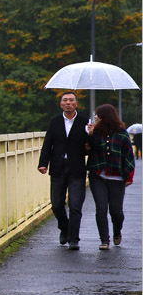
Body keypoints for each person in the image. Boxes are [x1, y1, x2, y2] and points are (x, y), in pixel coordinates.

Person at [38, 91, 90, 250]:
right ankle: (65, 228)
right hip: (58, 167)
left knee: (75, 205)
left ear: (76, 104)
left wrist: (91, 133)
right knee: (57, 204)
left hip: (76, 168)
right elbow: (48, 143)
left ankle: (74, 239)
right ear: (61, 104)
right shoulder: (55, 121)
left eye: (71, 100)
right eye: (65, 100)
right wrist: (43, 163)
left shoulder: (85, 121)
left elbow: (91, 145)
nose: (68, 102)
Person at [86, 104, 135, 250]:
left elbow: (128, 156)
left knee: (116, 212)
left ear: (105, 116)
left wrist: (128, 176)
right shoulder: (95, 132)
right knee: (101, 208)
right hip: (97, 176)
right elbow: (87, 149)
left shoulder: (122, 134)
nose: (95, 117)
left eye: (98, 115)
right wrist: (89, 135)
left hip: (117, 178)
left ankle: (117, 231)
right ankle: (104, 240)